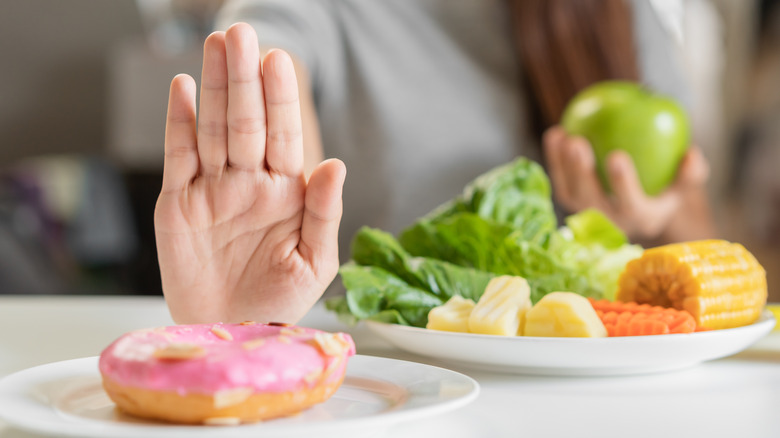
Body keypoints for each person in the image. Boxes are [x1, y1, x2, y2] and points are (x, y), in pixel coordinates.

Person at [157, 1, 718, 324]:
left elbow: (697, 227)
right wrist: (251, 301)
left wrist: (654, 218)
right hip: (397, 385)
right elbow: (269, 56)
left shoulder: (616, 13)